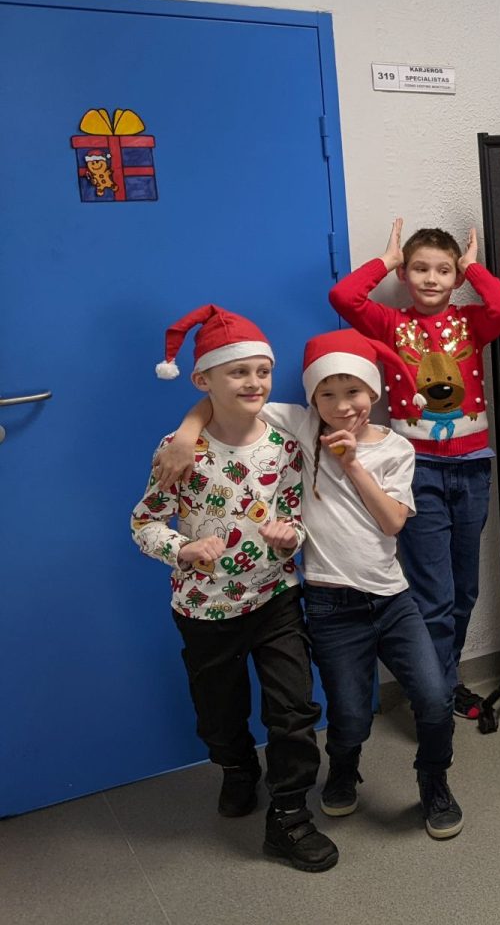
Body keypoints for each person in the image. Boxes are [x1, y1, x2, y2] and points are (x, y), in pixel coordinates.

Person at [155, 329, 464, 840]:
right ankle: (343, 768)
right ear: (312, 399)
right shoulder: (300, 424)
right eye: (327, 394)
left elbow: (392, 523)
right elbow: (224, 400)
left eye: (354, 391)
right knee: (350, 715)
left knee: (434, 699)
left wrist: (351, 463)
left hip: (392, 599)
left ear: (373, 392)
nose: (342, 406)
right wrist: (187, 434)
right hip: (329, 604)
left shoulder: (396, 448)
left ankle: (434, 779)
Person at [132, 305, 337, 872]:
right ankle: (238, 767)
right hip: (205, 609)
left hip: (275, 599)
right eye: (238, 372)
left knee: (294, 710)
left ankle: (289, 815)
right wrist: (182, 549)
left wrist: (290, 537)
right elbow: (144, 523)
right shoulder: (180, 449)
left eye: (262, 371)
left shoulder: (284, 444)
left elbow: (294, 517)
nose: (254, 382)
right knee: (219, 713)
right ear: (203, 380)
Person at [330, 218, 500, 720]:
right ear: (405, 275)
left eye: (443, 270)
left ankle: (445, 680)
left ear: (455, 277)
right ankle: (435, 698)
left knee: (464, 589)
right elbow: (344, 297)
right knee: (433, 592)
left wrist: (473, 268)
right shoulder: (391, 323)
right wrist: (386, 260)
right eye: (419, 269)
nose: (431, 279)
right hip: (418, 472)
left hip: (473, 469)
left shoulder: (471, 322)